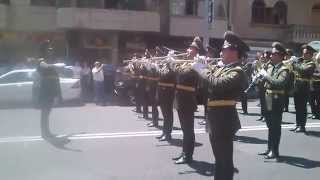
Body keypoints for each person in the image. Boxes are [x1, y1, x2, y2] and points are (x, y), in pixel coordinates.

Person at [192, 31, 249, 180]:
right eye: (222, 49)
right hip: (214, 118)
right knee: (218, 159)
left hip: (224, 119)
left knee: (225, 161)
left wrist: (201, 69)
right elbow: (204, 86)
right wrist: (203, 66)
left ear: (234, 52)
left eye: (225, 49)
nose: (221, 51)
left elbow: (217, 85)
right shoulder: (222, 68)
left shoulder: (238, 71)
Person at [257, 42, 290, 161]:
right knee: (270, 125)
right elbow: (266, 83)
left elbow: (279, 83)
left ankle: (275, 151)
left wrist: (265, 76)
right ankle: (269, 148)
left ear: (280, 56)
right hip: (268, 99)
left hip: (276, 100)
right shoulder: (270, 67)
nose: (271, 56)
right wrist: (258, 80)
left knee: (275, 126)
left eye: (274, 54)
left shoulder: (284, 69)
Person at [171, 41, 199, 164]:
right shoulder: (185, 63)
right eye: (188, 48)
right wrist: (171, 60)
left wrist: (173, 60)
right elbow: (176, 73)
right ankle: (184, 153)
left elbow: (183, 75)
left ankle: (188, 156)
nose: (188, 50)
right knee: (184, 129)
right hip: (181, 99)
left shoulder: (197, 64)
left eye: (191, 49)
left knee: (188, 130)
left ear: (196, 52)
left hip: (187, 100)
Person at [291, 45, 316, 133]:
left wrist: (295, 63)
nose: (303, 55)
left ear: (310, 55)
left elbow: (303, 70)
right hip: (297, 86)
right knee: (297, 107)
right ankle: (298, 124)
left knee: (302, 108)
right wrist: (294, 62)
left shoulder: (311, 64)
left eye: (305, 53)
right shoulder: (301, 61)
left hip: (304, 87)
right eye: (303, 53)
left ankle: (302, 126)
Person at [33, 58, 61, 138]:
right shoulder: (41, 72)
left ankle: (45, 132)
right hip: (44, 97)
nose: (44, 62)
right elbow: (45, 65)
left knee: (45, 115)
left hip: (46, 97)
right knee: (45, 115)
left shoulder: (43, 72)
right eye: (42, 61)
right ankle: (45, 133)